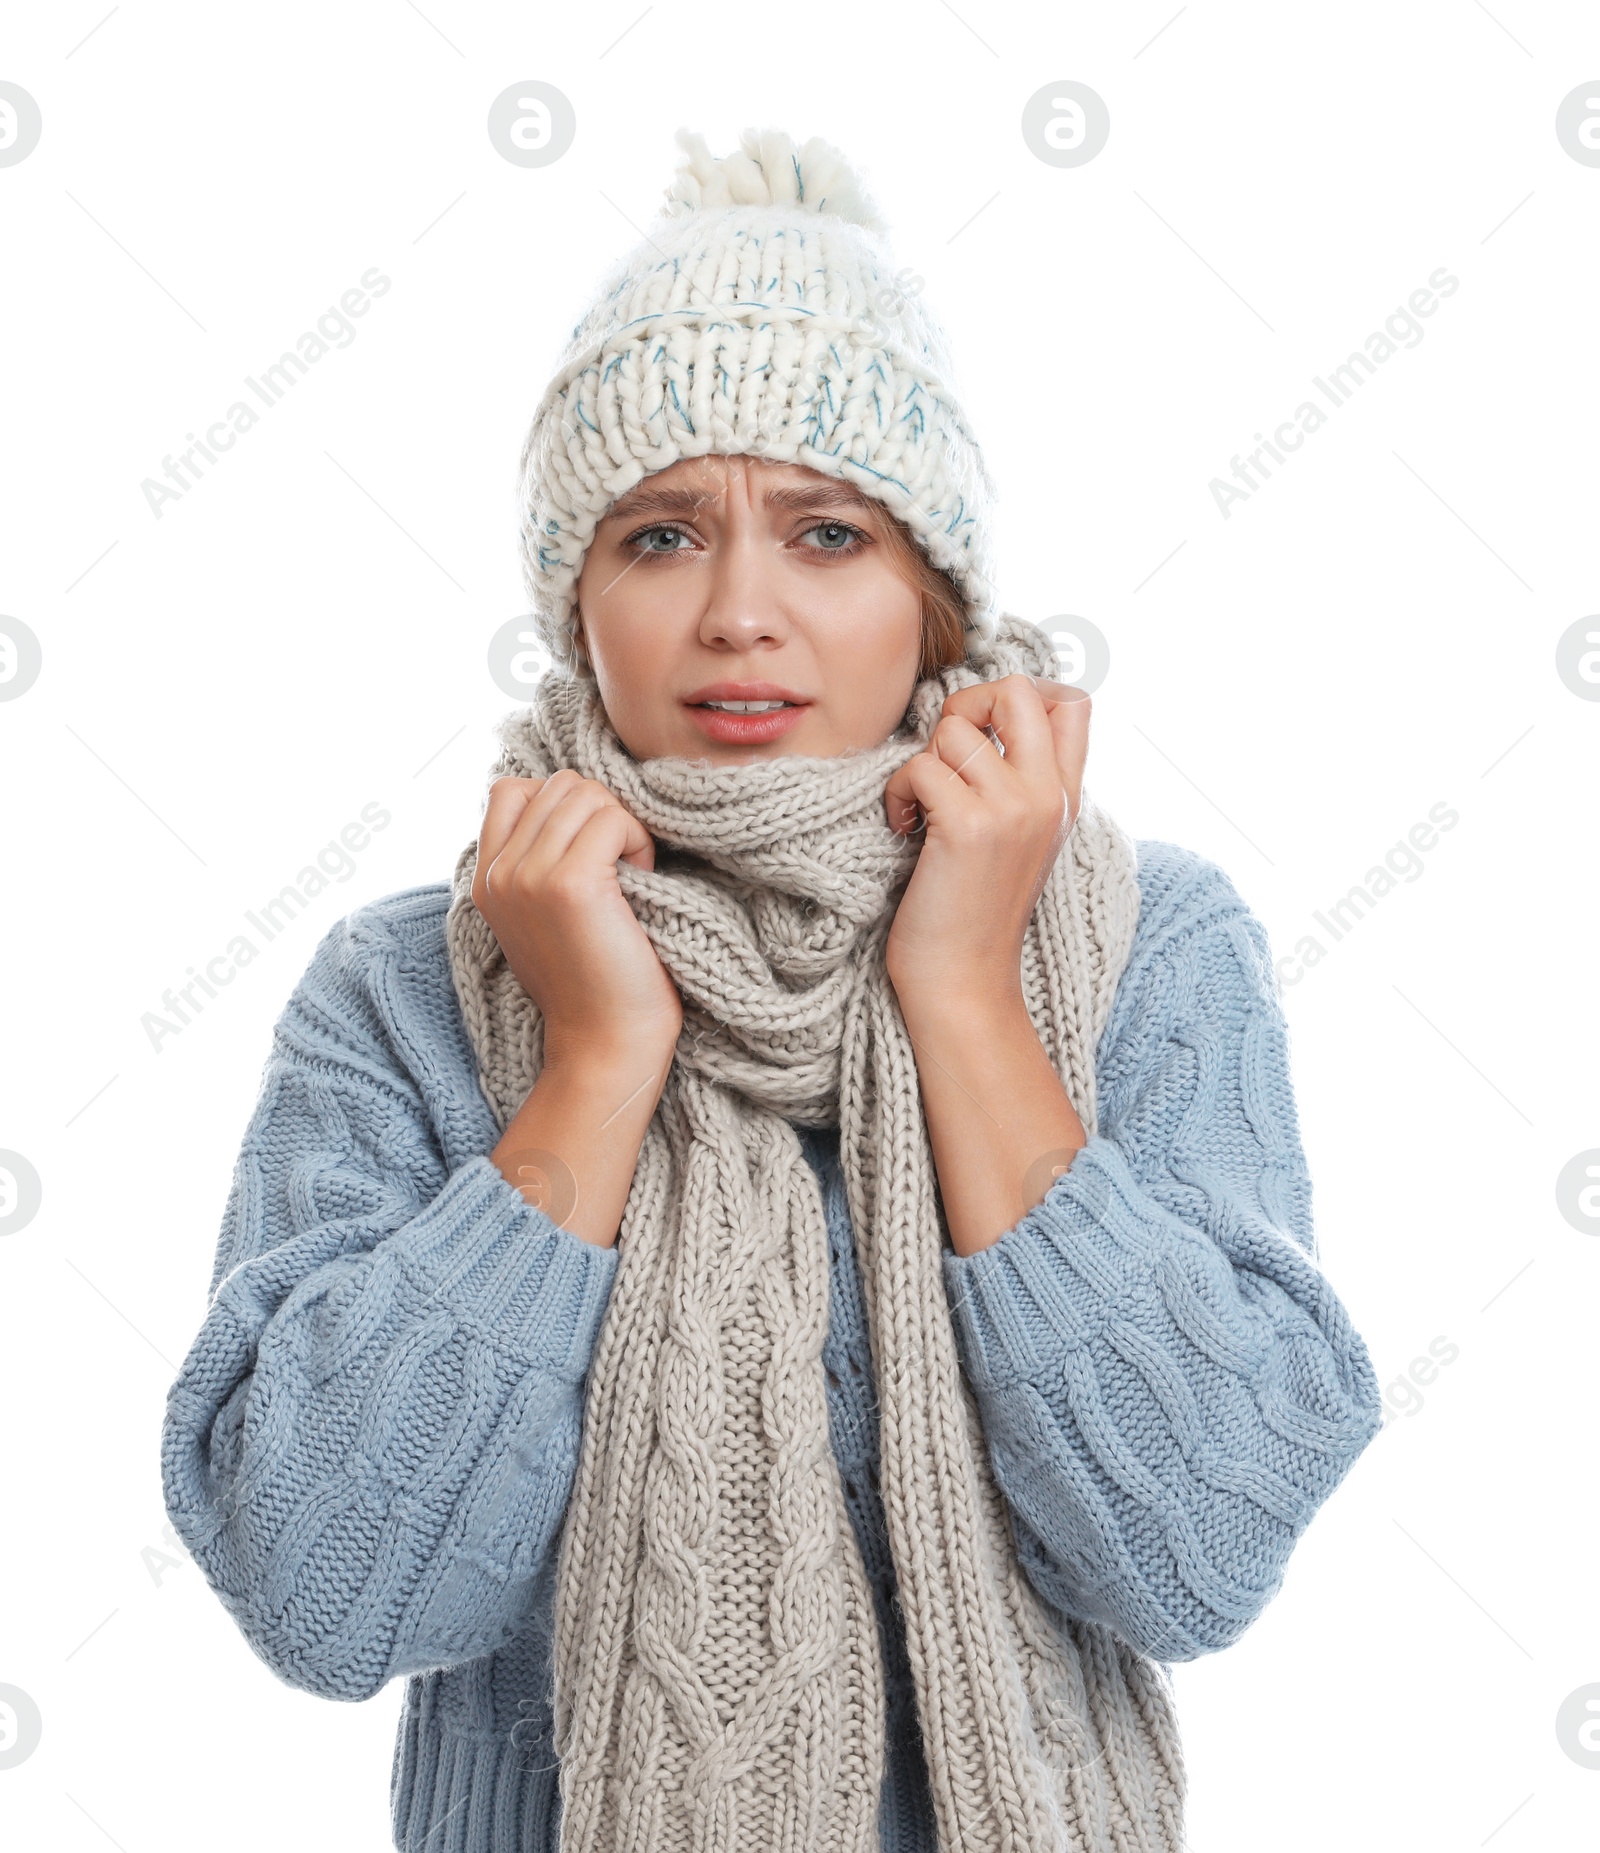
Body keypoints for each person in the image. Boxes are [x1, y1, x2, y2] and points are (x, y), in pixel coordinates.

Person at [160, 127, 1383, 1853]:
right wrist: (590, 1063)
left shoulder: (1139, 946)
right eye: (662, 535)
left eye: (825, 531)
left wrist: (959, 986)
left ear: (936, 594)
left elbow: (1196, 1537)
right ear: (573, 599)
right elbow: (326, 1585)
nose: (741, 611)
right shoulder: (410, 986)